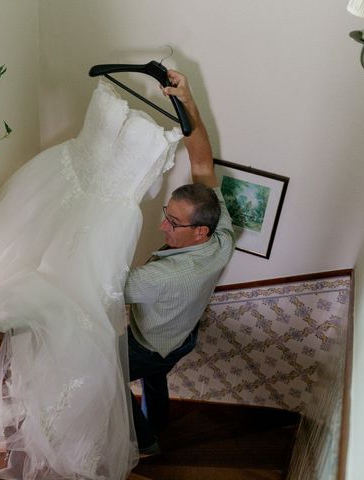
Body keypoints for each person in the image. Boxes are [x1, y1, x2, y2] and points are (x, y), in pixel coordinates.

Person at [0, 79, 184, 479]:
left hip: (103, 226)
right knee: (10, 272)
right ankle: (15, 395)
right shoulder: (110, 84)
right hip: (60, 181)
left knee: (78, 313)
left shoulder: (165, 138)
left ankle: (51, 415)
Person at [125, 70, 235, 454]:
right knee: (156, 377)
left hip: (146, 344)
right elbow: (201, 156)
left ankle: (146, 443)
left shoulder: (162, 277)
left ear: (198, 232)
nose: (161, 225)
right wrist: (186, 101)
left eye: (172, 223)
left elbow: (105, 284)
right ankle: (159, 419)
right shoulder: (221, 234)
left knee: (108, 378)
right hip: (183, 338)